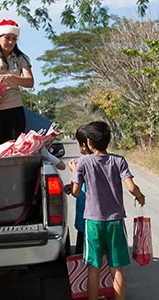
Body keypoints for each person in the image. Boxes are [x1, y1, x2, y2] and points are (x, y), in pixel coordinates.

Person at [71, 121, 145, 300]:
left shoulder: (83, 162)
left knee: (93, 268)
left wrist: (75, 172)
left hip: (93, 223)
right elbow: (131, 187)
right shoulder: (118, 160)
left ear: (89, 143)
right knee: (117, 268)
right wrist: (140, 197)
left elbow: (74, 192)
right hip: (115, 222)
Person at [65, 124, 91, 254]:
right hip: (95, 216)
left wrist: (74, 171)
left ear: (85, 145)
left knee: (83, 248)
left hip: (88, 214)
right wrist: (71, 185)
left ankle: (83, 271)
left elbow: (77, 191)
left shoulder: (84, 162)